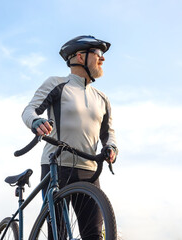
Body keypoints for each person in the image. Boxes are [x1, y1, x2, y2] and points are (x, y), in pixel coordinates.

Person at [21, 35, 118, 240]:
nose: (103, 59)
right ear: (80, 57)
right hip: (57, 165)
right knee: (59, 234)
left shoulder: (102, 98)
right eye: (98, 53)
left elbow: (108, 133)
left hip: (90, 170)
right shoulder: (57, 84)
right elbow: (29, 110)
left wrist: (112, 148)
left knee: (93, 234)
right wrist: (35, 122)